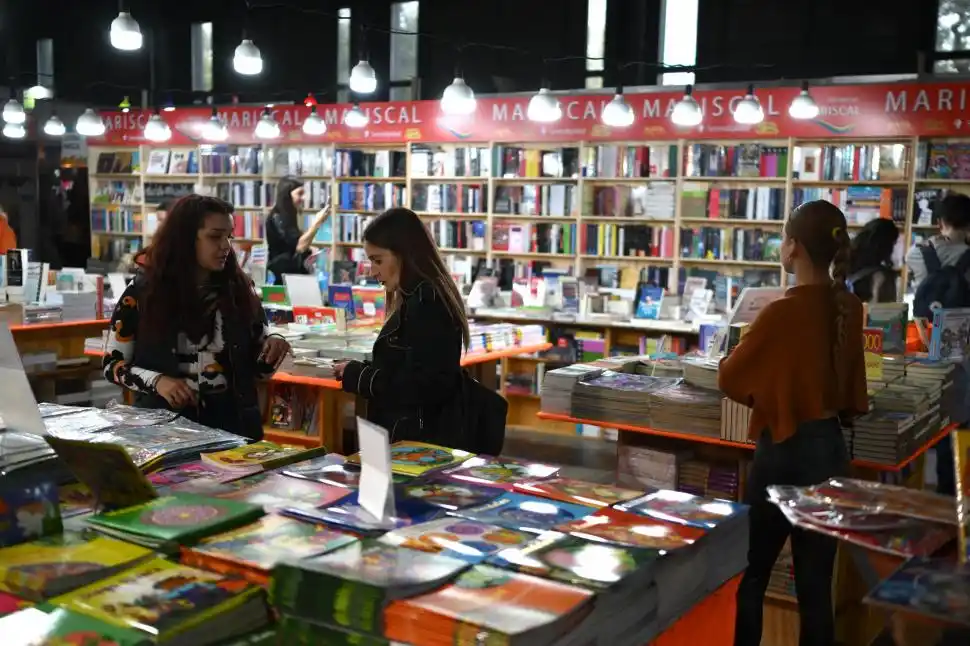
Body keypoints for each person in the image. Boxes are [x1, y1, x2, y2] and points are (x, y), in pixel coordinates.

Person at [718, 200, 868, 646]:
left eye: (784, 239)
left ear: (795, 248)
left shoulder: (781, 312)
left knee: (752, 573)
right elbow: (850, 392)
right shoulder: (850, 308)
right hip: (830, 452)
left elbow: (730, 376)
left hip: (783, 453)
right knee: (815, 587)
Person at [102, 195, 290, 440]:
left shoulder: (240, 291)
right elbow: (112, 365)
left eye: (229, 237)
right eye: (214, 236)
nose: (225, 246)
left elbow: (257, 372)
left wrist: (274, 345)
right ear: (185, 238)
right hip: (165, 430)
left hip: (233, 429)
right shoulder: (143, 292)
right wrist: (158, 382)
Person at [333, 207, 470, 446]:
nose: (373, 271)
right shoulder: (419, 296)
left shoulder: (427, 302)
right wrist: (359, 369)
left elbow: (426, 385)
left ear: (404, 254)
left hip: (414, 440)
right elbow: (406, 367)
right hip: (408, 434)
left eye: (378, 260)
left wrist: (360, 376)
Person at [906, 192, 970, 496]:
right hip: (967, 356)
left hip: (930, 353)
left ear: (939, 221)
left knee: (939, 425)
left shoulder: (917, 254)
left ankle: (941, 498)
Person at [266, 177, 331, 280]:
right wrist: (318, 221)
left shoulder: (288, 216)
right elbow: (299, 246)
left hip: (291, 275)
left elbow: (291, 244)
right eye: (299, 193)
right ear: (287, 194)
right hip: (283, 277)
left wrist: (310, 249)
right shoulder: (278, 217)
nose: (303, 198)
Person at [847, 218, 899, 303]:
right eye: (893, 244)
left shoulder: (844, 267)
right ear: (886, 246)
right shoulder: (882, 276)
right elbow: (885, 313)